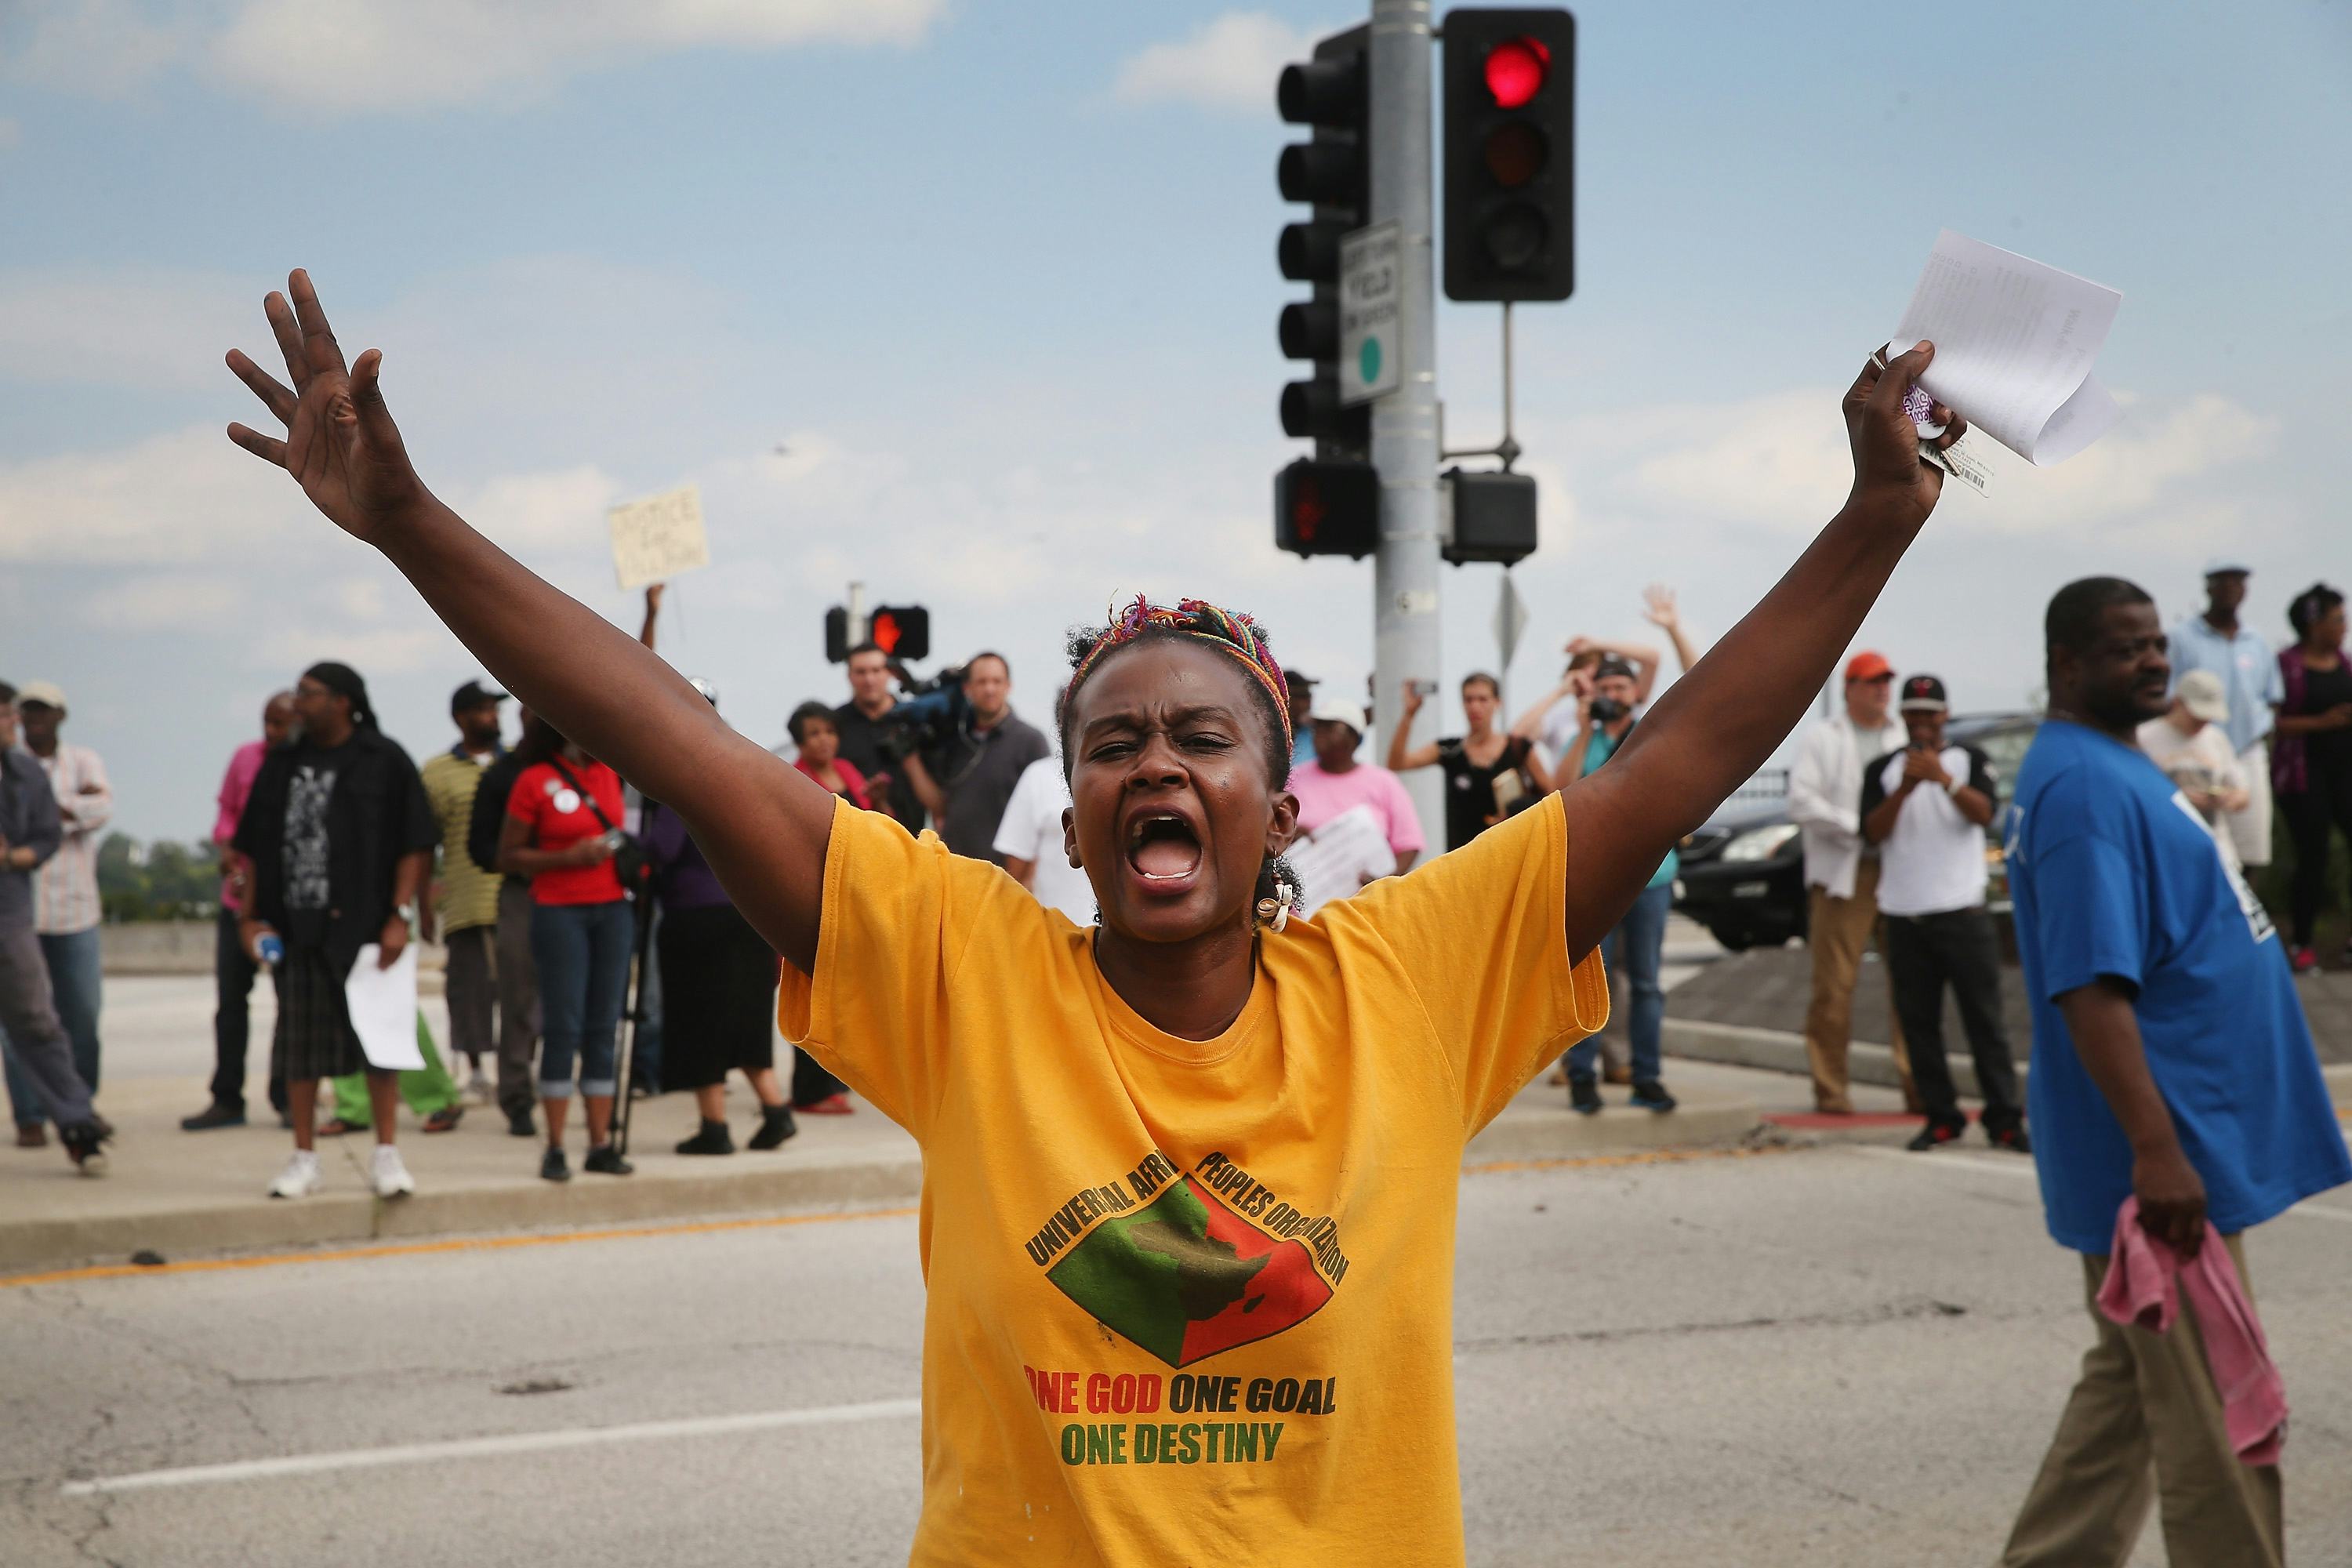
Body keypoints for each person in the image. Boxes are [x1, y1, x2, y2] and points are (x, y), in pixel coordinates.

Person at [223, 274, 1967, 1562]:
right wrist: (411, 525)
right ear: (1071, 816)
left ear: (1280, 809)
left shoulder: (1411, 979)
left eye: (1203, 739)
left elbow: (1674, 765)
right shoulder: (963, 972)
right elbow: (676, 738)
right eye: (1114, 743)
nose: (1156, 765)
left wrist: (1878, 515)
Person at [1999, 578, 2351, 1568]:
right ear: (2067, 663)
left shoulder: (2114, 764)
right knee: (2217, 1419)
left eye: (2155, 642)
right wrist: (2157, 1152)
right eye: (2126, 647)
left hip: (2183, 1140)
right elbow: (2088, 987)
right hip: (2162, 1156)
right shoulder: (2083, 791)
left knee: (2128, 1395)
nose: (2153, 659)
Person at [232, 662, 434, 1201]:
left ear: (343, 701)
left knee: (379, 1047)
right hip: (297, 929)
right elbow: (253, 849)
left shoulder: (383, 759)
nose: (298, 702)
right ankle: (304, 1159)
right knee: (299, 1052)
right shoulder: (282, 764)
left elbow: (416, 843)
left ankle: (386, 1155)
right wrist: (249, 918)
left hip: (369, 931)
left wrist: (400, 915)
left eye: (309, 693)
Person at [1859, 675, 2027, 1153]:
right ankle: (1940, 1116)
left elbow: (1985, 814)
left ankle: (2004, 1118)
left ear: (1945, 716)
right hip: (1904, 914)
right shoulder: (1883, 769)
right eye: (1913, 714)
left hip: (1962, 912)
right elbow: (1871, 833)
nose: (1922, 724)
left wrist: (1944, 780)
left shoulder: (1968, 760)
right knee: (1919, 1025)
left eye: (1930, 715)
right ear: (1903, 717)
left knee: (1984, 1021)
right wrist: (1905, 790)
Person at [647, 689, 799, 1157]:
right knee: (746, 1016)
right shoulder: (747, 776)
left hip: (698, 917)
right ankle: (774, 1108)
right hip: (748, 915)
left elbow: (662, 849)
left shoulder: (681, 781)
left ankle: (714, 1124)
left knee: (700, 1019)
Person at [498, 720, 636, 1181]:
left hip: (613, 909)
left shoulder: (610, 772)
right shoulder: (534, 779)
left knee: (604, 1027)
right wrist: (567, 858)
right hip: (559, 911)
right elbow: (508, 855)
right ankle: (555, 1146)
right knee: (563, 1027)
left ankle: (599, 1144)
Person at [1546, 658, 1680, 1115]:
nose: (1613, 696)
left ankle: (1648, 1078)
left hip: (1652, 877)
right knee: (1588, 980)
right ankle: (1582, 1076)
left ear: (1635, 692)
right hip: (1597, 878)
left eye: (1621, 687)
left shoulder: (1653, 735)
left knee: (1646, 983)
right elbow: (1559, 790)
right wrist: (1585, 729)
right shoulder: (1584, 739)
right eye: (1605, 688)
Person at [1787, 650, 1917, 1115]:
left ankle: (1918, 1084)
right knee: (1835, 986)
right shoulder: (1824, 738)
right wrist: (1858, 827)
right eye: (1872, 682)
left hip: (1900, 871)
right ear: (1850, 689)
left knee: (1912, 983)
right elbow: (1802, 802)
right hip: (1845, 875)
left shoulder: (1905, 736)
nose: (1882, 690)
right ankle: (1831, 1088)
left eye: (1886, 681)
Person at [0, 684, 110, 1172]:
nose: (14, 723)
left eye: (13, 714)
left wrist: (12, 857)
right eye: (6, 715)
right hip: (26, 910)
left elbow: (45, 835)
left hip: (15, 909)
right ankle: (30, 1116)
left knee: (38, 1019)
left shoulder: (24, 773)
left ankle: (77, 1124)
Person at [185, 691, 298, 1131]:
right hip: (237, 902)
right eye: (267, 721)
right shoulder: (245, 758)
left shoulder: (307, 766)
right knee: (231, 1001)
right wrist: (228, 852)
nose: (271, 731)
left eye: (280, 723)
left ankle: (288, 1096)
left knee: (292, 1002)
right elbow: (227, 814)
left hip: (285, 906)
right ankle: (227, 1097)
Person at [418, 678, 509, 1114]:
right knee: (469, 994)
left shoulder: (519, 763)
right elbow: (424, 845)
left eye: (495, 709)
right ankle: (475, 1073)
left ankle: (517, 1071)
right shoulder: (436, 773)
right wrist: (424, 905)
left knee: (523, 993)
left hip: (521, 897)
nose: (492, 716)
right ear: (461, 717)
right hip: (466, 900)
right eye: (483, 709)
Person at [2165, 558, 2281, 871]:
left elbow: (2272, 698)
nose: (2231, 588)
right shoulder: (2182, 638)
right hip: (2196, 749)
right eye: (2223, 581)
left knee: (2252, 848)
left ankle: (2243, 902)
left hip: (2248, 749)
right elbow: (2169, 695)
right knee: (2195, 838)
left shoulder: (2256, 641)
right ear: (2209, 588)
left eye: (2238, 581)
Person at [467, 708, 543, 1138]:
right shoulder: (502, 775)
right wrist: (531, 859)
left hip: (583, 896)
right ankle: (517, 1096)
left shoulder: (588, 769)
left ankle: (571, 1089)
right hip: (523, 894)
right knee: (518, 999)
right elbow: (480, 848)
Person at [900, 652, 1052, 864]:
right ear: (967, 688)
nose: (989, 689)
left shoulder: (1030, 741)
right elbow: (940, 807)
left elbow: (1044, 813)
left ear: (1008, 686)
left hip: (1006, 874)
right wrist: (910, 759)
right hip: (957, 869)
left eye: (996, 681)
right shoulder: (955, 740)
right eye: (982, 682)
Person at [2270, 583, 2352, 974]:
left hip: (2345, 771)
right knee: (2313, 856)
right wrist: (2322, 722)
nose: (2344, 626)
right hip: (2304, 776)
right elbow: (2272, 721)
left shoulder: (2345, 663)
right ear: (2314, 625)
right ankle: (2302, 944)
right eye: (2338, 619)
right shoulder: (2286, 665)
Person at [1387, 673, 1553, 851]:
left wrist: (1518, 809)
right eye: (1469, 700)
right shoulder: (1450, 750)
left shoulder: (1518, 748)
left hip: (1508, 851)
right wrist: (1409, 714)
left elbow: (1550, 796)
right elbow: (1398, 763)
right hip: (1462, 855)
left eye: (1483, 699)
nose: (1475, 706)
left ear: (1497, 703)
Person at [1287, 696, 1423, 876]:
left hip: (1368, 891)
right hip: (1307, 888)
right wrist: (1288, 834)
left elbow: (1409, 843)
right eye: (1317, 727)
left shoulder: (1384, 782)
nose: (1320, 733)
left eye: (1330, 727)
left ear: (1354, 737)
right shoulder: (1293, 778)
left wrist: (1384, 882)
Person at [2136, 671, 2249, 872]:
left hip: (2215, 846)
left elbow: (2242, 794)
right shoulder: (2144, 737)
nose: (2203, 721)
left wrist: (2226, 798)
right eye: (2197, 714)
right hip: (2164, 847)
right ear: (2177, 703)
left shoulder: (2216, 739)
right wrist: (2177, 798)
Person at [832, 641, 925, 834]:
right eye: (861, 672)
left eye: (876, 670)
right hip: (853, 835)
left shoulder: (914, 720)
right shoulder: (834, 726)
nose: (869, 679)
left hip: (912, 835)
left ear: (889, 673)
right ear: (849, 676)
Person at [996, 753, 1099, 924]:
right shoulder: (1039, 776)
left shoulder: (1132, 777)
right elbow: (1016, 874)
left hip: (1115, 934)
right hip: (1052, 931)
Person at [788, 700, 874, 809]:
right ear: (799, 742)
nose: (824, 739)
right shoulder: (796, 780)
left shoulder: (845, 766)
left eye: (830, 731)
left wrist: (879, 799)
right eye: (814, 734)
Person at [1284, 669, 1319, 770]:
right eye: (1301, 696)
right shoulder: (1264, 734)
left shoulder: (1318, 733)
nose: (1308, 702)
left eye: (1308, 696)